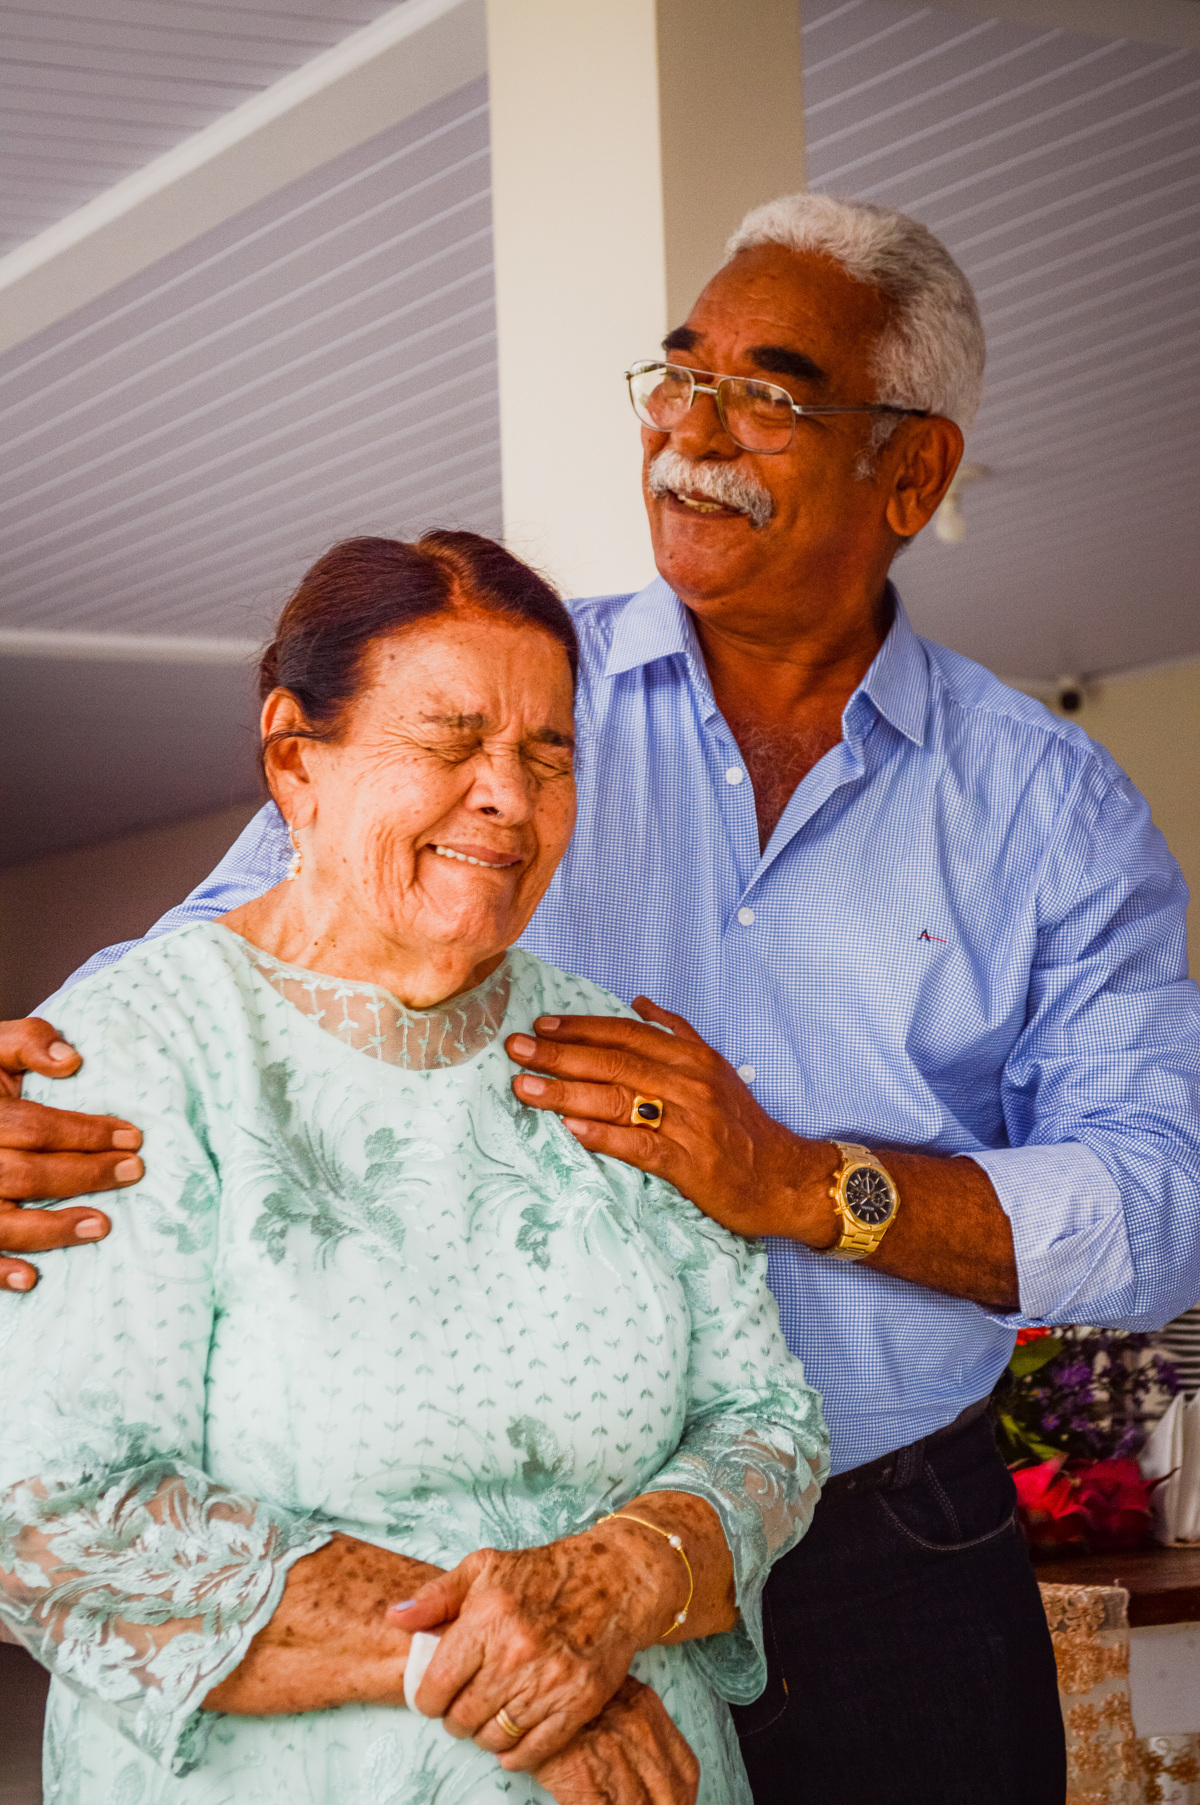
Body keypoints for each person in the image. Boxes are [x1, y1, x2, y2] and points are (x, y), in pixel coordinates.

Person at [4, 190, 1200, 1802]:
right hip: (491, 1572)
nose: (689, 432)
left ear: (912, 472)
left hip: (897, 1549)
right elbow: (245, 949)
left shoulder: (1051, 811)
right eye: (678, 374)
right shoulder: (518, 684)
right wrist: (41, 1092)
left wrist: (804, 1183)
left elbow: (1162, 1199)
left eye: (765, 396)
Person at [0, 531, 828, 1805]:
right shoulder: (131, 1052)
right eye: (450, 740)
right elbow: (60, 1512)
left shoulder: (618, 1055)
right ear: (297, 757)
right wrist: (505, 1659)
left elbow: (767, 1419)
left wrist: (617, 1580)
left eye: (546, 754)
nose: (508, 795)